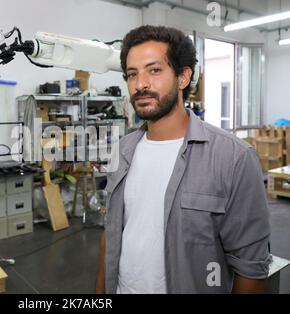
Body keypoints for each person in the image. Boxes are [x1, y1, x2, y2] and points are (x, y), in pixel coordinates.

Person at [95, 25, 271, 294]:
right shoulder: (123, 150)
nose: (140, 84)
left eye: (154, 70)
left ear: (183, 77)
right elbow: (110, 237)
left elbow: (251, 270)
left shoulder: (233, 158)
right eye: (132, 74)